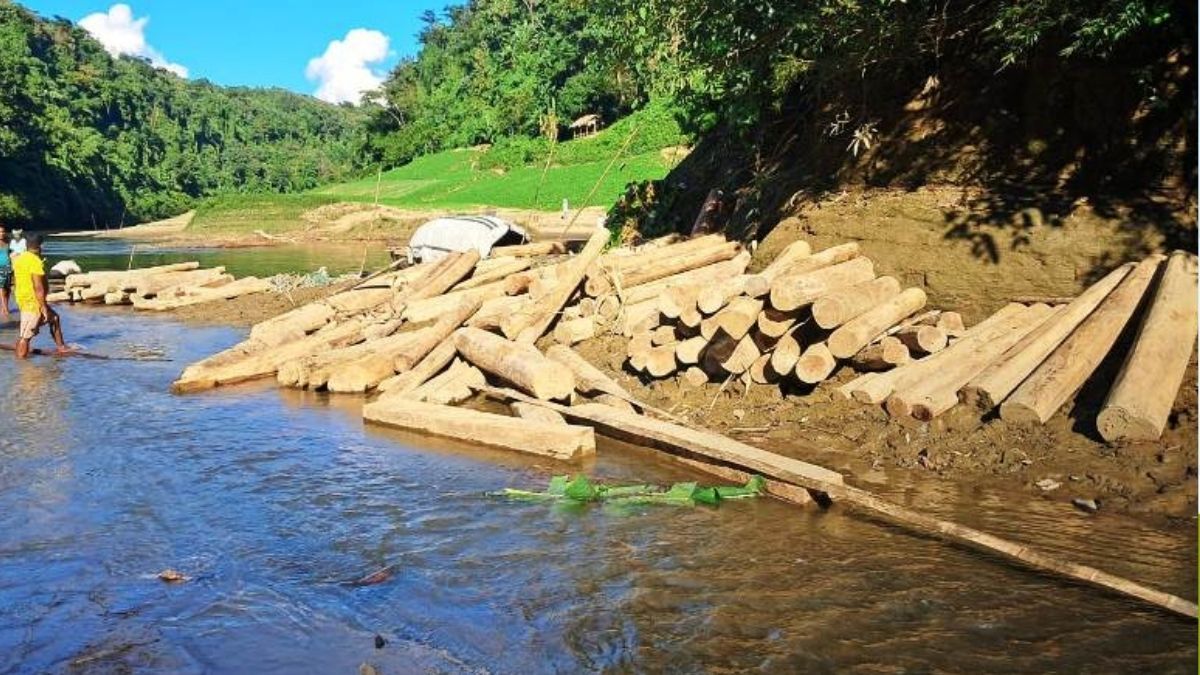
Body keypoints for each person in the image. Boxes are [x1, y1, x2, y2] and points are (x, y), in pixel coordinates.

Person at [13, 233, 70, 358]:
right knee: (26, 336)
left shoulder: (20, 259)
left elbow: (16, 281)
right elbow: (38, 287)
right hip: (32, 303)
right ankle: (22, 367)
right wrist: (43, 306)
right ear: (40, 246)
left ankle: (61, 347)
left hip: (24, 299)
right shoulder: (35, 262)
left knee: (54, 318)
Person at [0, 224, 11, 320]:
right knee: (2, 288)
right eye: (0, 232)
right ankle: (4, 308)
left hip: (7, 267)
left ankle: (5, 306)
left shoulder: (8, 241)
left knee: (8, 288)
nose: (1, 233)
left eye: (3, 231)